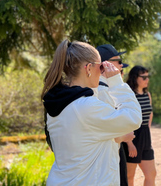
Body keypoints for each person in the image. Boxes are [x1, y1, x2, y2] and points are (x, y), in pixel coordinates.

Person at [41, 40, 142, 186]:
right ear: (88, 68)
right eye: (100, 66)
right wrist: (117, 83)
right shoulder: (86, 107)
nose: (102, 71)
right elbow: (133, 118)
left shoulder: (61, 103)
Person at [97, 44, 134, 186]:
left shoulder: (108, 88)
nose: (121, 64)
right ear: (105, 64)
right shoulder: (102, 91)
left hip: (114, 153)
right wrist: (125, 137)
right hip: (106, 158)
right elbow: (133, 119)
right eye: (118, 61)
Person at [124, 66, 156, 186]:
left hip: (145, 136)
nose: (147, 80)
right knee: (129, 176)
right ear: (135, 78)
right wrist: (129, 143)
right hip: (132, 136)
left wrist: (147, 131)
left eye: (148, 77)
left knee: (151, 174)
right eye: (143, 77)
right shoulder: (129, 96)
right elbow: (125, 120)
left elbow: (150, 114)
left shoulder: (147, 95)